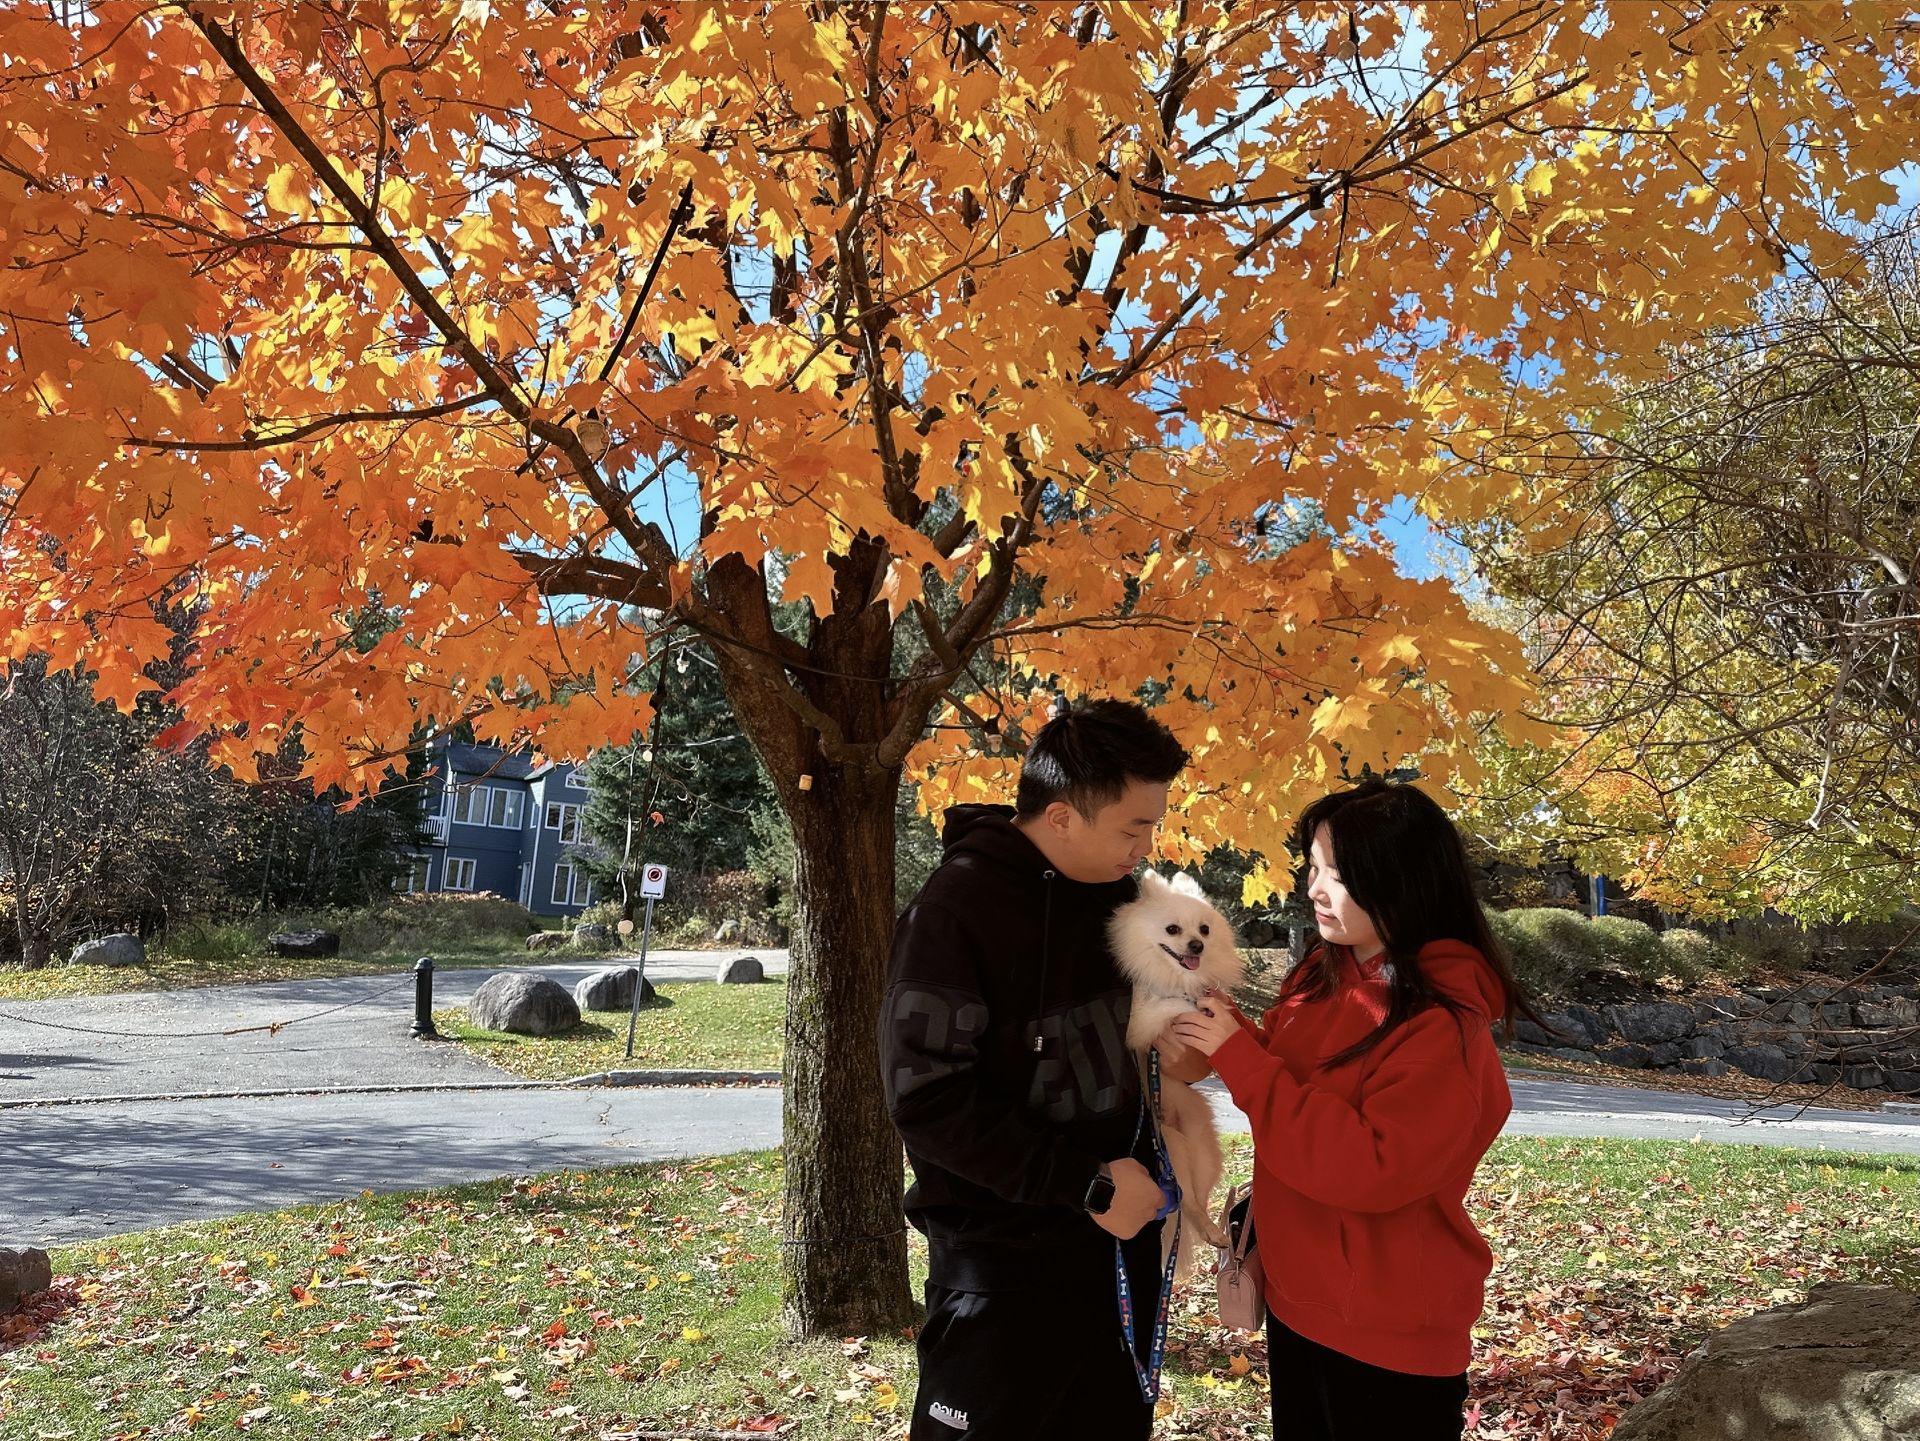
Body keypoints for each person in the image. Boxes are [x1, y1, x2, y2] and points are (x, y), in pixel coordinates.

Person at [1169, 779, 1535, 1441]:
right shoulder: (1320, 978)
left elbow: (1369, 1165)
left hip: (1390, 1334)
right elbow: (1283, 1074)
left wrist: (1242, 1057)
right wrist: (1223, 1031)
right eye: (1312, 867)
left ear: (1399, 878)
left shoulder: (1443, 1022)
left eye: (1337, 873)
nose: (1315, 888)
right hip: (1297, 1302)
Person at [878, 697, 1190, 1439]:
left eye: (1153, 823)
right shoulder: (955, 913)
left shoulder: (1124, 902)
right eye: (1133, 826)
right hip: (1000, 1273)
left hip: (1114, 1263)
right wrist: (1082, 1183)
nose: (1147, 844)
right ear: (1060, 817)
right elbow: (928, 1099)